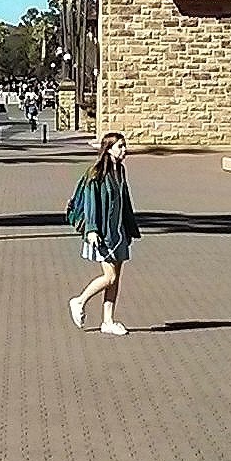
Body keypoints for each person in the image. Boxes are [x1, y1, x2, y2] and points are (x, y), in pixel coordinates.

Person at [67, 132, 140, 336]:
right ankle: (79, 301)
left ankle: (108, 321)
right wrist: (91, 229)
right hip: (102, 233)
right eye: (120, 146)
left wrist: (129, 227)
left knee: (115, 279)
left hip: (119, 232)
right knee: (109, 277)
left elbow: (125, 201)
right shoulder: (96, 173)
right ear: (108, 149)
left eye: (124, 146)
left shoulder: (120, 171)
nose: (124, 150)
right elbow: (91, 202)